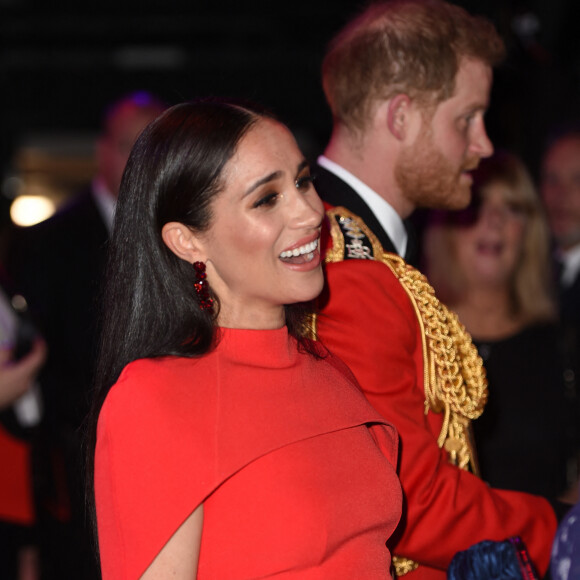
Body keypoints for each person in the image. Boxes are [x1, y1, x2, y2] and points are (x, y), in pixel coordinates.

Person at [88, 99, 403, 579]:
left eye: (301, 181)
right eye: (266, 199)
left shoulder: (329, 371)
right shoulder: (153, 400)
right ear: (187, 241)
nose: (310, 212)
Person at [312, 1, 559, 577]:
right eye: (466, 119)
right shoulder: (346, 262)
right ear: (401, 117)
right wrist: (563, 532)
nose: (484, 145)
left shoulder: (354, 241)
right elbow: (407, 500)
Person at [4, 91, 166, 579]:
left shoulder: (182, 231)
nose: (143, 164)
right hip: (79, 470)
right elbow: (36, 361)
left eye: (155, 149)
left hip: (166, 453)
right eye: (132, 147)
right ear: (105, 151)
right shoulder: (47, 241)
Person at [423, 151, 576, 500]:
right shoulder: (416, 334)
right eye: (477, 204)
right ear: (445, 224)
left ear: (530, 231)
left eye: (512, 208)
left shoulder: (562, 344)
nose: (493, 220)